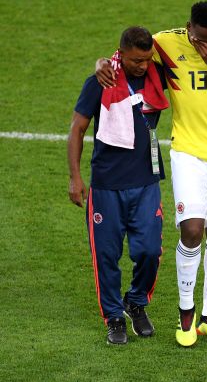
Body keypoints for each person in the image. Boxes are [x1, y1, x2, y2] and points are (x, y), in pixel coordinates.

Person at [96, 2, 207, 347]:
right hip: (188, 153)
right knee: (192, 229)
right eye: (201, 38)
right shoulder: (166, 42)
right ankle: (186, 314)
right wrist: (101, 63)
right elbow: (126, 57)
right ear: (189, 27)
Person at [68, 26, 168, 345]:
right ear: (121, 53)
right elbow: (77, 128)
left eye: (147, 59)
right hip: (107, 185)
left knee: (150, 251)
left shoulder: (157, 76)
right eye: (137, 60)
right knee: (107, 256)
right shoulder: (101, 81)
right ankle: (114, 317)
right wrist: (75, 176)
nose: (143, 65)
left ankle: (135, 302)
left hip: (146, 181)